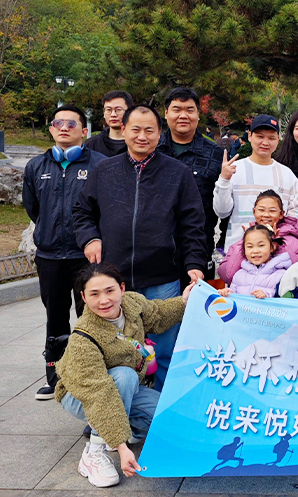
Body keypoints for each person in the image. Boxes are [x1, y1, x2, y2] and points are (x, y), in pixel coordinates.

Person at [73, 104, 207, 392]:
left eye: (149, 130)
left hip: (162, 277)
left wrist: (195, 264)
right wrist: (90, 238)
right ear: (123, 130)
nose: (142, 136)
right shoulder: (104, 170)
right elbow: (82, 211)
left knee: (166, 349)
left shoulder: (178, 173)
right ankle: (114, 403)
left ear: (160, 134)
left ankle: (161, 407)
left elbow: (193, 224)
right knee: (111, 350)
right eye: (135, 129)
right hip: (114, 278)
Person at [55, 262, 195, 487]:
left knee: (166, 418)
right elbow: (99, 393)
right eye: (94, 294)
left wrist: (185, 301)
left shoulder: (131, 303)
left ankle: (119, 430)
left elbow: (158, 314)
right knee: (124, 375)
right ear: (83, 297)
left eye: (110, 291)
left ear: (121, 288)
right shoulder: (83, 337)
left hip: (125, 387)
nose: (104, 300)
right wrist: (122, 448)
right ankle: (94, 452)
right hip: (80, 396)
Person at [22, 105, 107, 400]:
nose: (64, 128)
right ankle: (57, 378)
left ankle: (92, 377)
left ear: (84, 131)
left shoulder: (100, 164)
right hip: (49, 257)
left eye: (71, 124)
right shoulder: (36, 166)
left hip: (86, 257)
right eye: (58, 123)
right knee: (55, 318)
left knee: (91, 316)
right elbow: (33, 208)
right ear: (51, 129)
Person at [157, 87, 225, 282]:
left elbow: (224, 200)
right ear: (166, 113)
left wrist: (221, 245)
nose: (183, 115)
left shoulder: (216, 154)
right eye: (177, 109)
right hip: (156, 249)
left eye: (189, 110)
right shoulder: (153, 150)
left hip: (198, 248)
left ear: (198, 114)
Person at [213, 114, 298, 248]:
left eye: (271, 138)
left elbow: (295, 216)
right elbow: (221, 211)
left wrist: (277, 239)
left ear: (278, 139)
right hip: (239, 249)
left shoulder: (287, 174)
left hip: (277, 252)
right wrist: (224, 180)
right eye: (260, 136)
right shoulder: (234, 169)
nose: (265, 143)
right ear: (250, 136)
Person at [218, 189, 298, 284]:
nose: (266, 215)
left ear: (281, 214)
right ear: (254, 211)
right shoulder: (241, 242)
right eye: (261, 210)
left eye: (272, 211)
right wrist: (245, 242)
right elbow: (228, 276)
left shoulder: (293, 242)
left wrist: (279, 243)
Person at [217, 225, 291, 298]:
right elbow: (234, 293)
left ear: (272, 247)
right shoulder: (239, 274)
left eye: (261, 245)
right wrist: (228, 292)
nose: (255, 251)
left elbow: (287, 298)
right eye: (250, 246)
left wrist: (268, 295)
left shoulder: (282, 275)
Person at [84, 91, 133, 157]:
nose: (113, 114)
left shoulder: (138, 142)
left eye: (118, 110)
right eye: (108, 110)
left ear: (130, 112)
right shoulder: (92, 144)